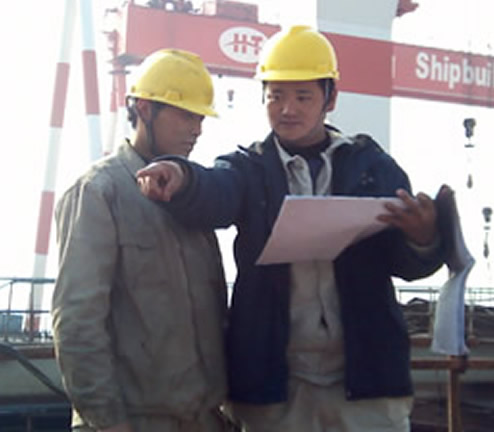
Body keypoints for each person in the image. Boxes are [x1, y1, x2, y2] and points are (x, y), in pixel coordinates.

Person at [137, 25, 452, 432]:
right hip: (275, 388)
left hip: (366, 387)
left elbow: (405, 264)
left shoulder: (372, 168)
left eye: (303, 96)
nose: (288, 109)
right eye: (276, 96)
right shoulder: (247, 169)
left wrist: (423, 237)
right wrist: (182, 177)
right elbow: (216, 191)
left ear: (330, 98)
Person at [52, 49, 230, 432]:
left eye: (200, 118)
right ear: (145, 109)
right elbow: (78, 322)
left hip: (204, 419)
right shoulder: (99, 192)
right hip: (132, 421)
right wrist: (109, 422)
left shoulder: (193, 195)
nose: (196, 129)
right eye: (186, 115)